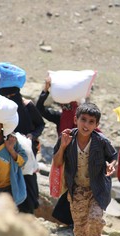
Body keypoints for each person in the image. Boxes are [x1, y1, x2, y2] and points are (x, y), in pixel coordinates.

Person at [52, 102, 118, 236]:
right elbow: (57, 162)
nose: (86, 125)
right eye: (84, 119)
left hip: (97, 188)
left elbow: (113, 156)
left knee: (95, 217)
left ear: (96, 125)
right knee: (80, 231)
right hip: (77, 191)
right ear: (76, 119)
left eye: (91, 121)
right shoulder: (67, 138)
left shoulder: (101, 141)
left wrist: (111, 165)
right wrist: (63, 147)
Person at [0, 62, 45, 214]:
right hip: (5, 149)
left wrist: (32, 136)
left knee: (28, 178)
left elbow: (40, 125)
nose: (10, 98)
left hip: (27, 149)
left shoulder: (27, 106)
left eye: (13, 95)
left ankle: (27, 210)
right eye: (6, 95)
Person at [36, 77, 78, 226]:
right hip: (63, 158)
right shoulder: (59, 117)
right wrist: (45, 91)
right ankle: (69, 222)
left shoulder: (83, 120)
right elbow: (40, 109)